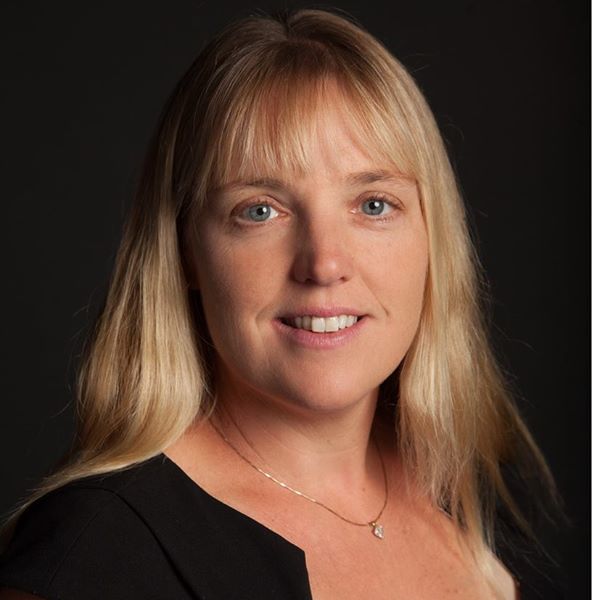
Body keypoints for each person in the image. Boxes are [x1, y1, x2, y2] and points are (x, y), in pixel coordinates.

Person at [0, 8, 562, 600]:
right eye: (260, 210)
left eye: (373, 204)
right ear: (186, 252)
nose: (323, 264)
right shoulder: (97, 555)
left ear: (432, 240)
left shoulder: (479, 504)